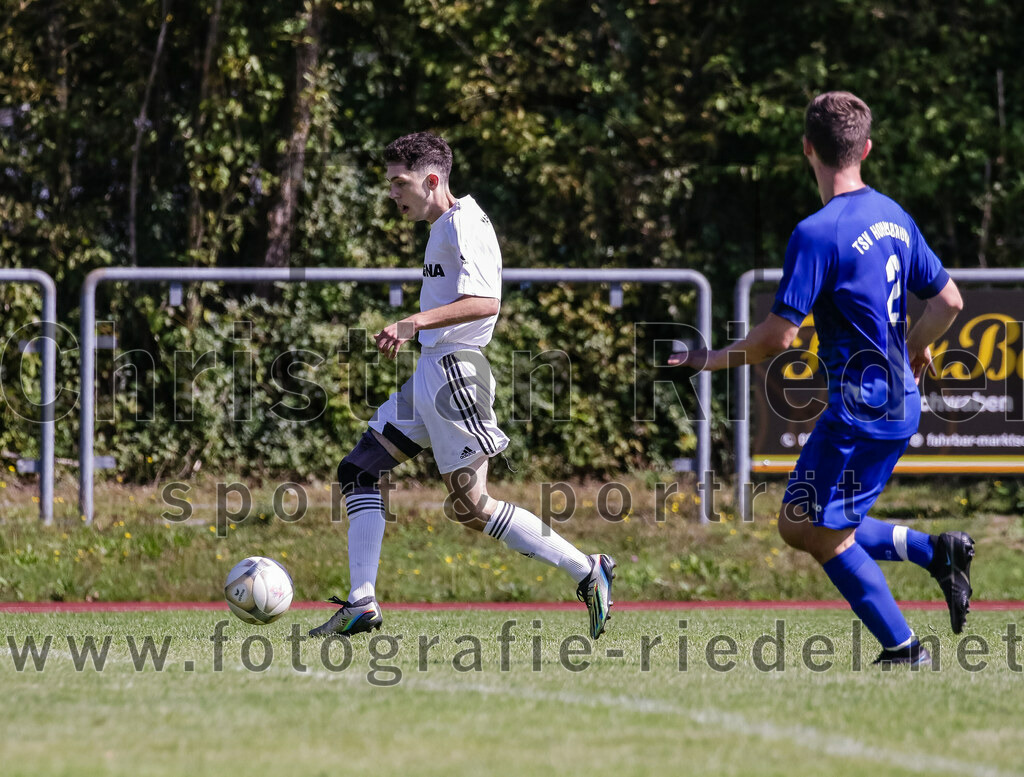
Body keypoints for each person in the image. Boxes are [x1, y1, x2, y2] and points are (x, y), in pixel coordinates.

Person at [670, 92, 973, 666]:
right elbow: (950, 301)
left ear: (808, 149)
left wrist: (706, 361)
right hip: (898, 405)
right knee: (811, 521)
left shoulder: (818, 231)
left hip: (860, 411)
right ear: (867, 148)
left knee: (819, 531)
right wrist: (915, 348)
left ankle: (904, 648)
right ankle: (937, 552)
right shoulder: (894, 216)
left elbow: (776, 339)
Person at [310, 131, 615, 640]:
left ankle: (587, 569)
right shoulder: (441, 226)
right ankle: (362, 600)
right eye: (389, 183)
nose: (392, 193)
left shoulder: (465, 223)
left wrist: (413, 323)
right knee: (359, 469)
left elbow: (485, 301)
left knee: (471, 506)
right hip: (432, 371)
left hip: (456, 373)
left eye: (399, 182)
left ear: (432, 180)